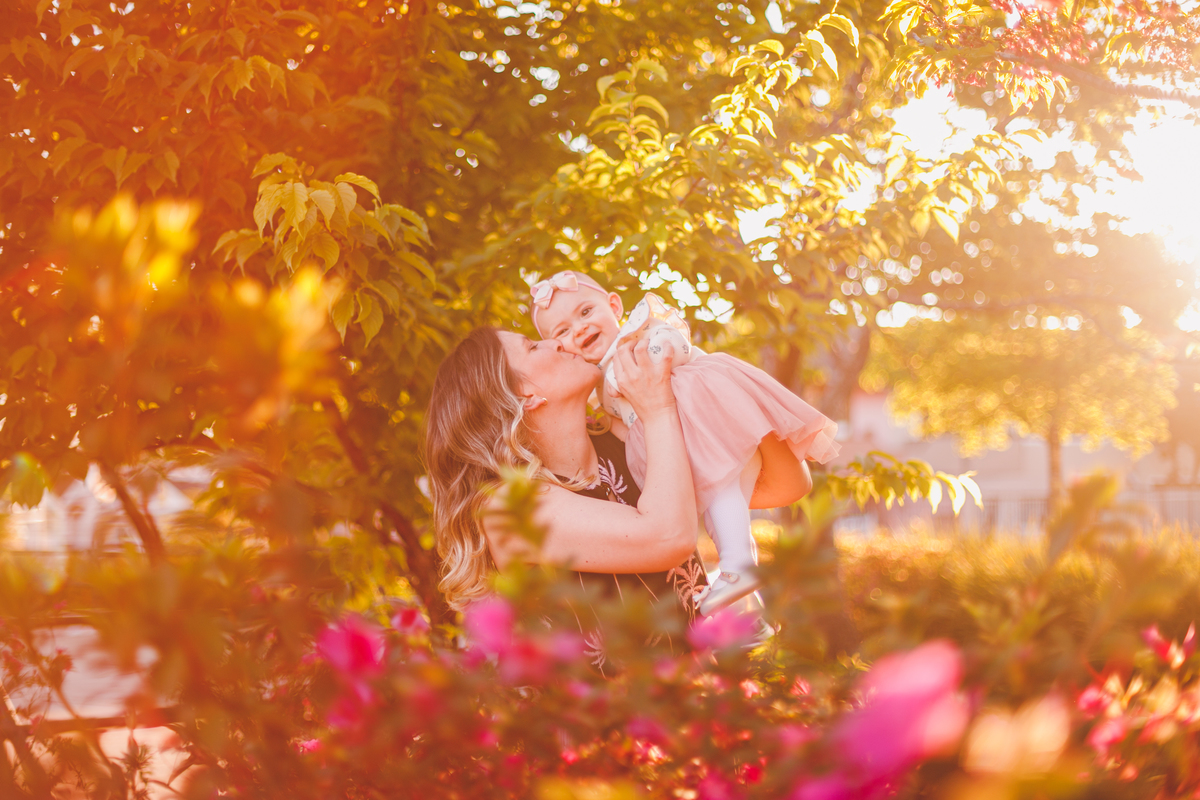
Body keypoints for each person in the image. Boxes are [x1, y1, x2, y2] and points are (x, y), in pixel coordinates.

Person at [424, 326, 811, 670]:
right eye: (531, 346)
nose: (555, 341)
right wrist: (659, 407)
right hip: (598, 739)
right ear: (524, 395)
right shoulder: (508, 507)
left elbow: (787, 484)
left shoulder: (626, 442)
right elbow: (667, 537)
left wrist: (706, 377)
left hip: (689, 717)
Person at [529, 271, 839, 614]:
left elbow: (675, 342)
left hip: (709, 428)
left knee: (723, 502)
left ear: (614, 305)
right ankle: (746, 605)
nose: (578, 329)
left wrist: (657, 358)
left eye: (586, 312)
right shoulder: (600, 406)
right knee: (722, 514)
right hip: (693, 449)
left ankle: (739, 569)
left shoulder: (636, 341)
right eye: (561, 332)